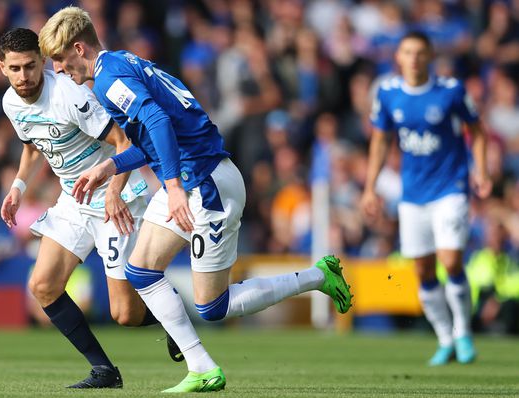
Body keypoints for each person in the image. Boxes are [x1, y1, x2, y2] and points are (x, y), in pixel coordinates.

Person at [38, 7, 353, 392]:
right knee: (140, 271)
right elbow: (154, 138)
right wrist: (110, 167)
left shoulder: (108, 79)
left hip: (206, 184)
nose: (58, 70)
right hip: (190, 176)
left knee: (213, 306)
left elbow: (157, 121)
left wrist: (171, 187)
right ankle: (201, 366)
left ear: (79, 47)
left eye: (59, 60)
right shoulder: (124, 62)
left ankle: (318, 275)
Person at [0, 28, 180, 389]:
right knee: (43, 285)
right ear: (2, 67)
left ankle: (174, 318)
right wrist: (19, 186)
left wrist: (114, 190)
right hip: (73, 200)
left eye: (31, 66)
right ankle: (104, 371)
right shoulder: (10, 102)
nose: (24, 76)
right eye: (15, 69)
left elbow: (122, 142)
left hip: (116, 200)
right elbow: (33, 143)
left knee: (124, 314)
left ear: (43, 61)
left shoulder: (69, 96)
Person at [362, 31, 492, 366]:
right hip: (412, 194)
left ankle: (463, 331)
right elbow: (379, 141)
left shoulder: (450, 91)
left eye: (420, 52)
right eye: (408, 52)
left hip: (451, 188)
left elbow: (477, 132)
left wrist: (481, 171)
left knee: (450, 261)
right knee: (423, 270)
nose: (414, 58)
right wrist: (369, 187)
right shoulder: (388, 94)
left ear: (430, 55)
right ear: (399, 58)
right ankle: (445, 337)